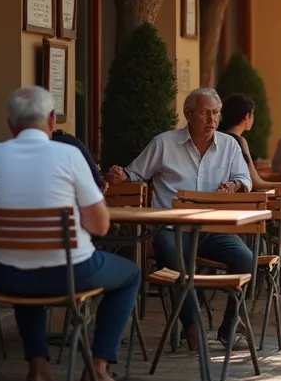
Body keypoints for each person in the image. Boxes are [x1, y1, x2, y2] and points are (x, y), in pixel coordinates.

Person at [0, 86, 139, 381]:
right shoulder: (69, 154)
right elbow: (100, 227)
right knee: (130, 274)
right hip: (69, 274)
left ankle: (38, 369)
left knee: (24, 259)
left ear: (9, 124)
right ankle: (98, 369)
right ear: (51, 119)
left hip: (7, 276)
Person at [105, 88, 254, 351]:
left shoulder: (229, 145)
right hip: (170, 228)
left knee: (244, 258)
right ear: (188, 113)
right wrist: (120, 175)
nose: (212, 119)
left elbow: (246, 180)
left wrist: (235, 186)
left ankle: (229, 327)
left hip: (212, 227)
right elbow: (135, 173)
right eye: (205, 112)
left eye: (216, 113)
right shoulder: (164, 143)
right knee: (177, 259)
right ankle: (193, 327)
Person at [220, 94, 281, 192]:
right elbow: (254, 181)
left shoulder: (218, 137)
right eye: (252, 113)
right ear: (246, 116)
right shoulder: (239, 140)